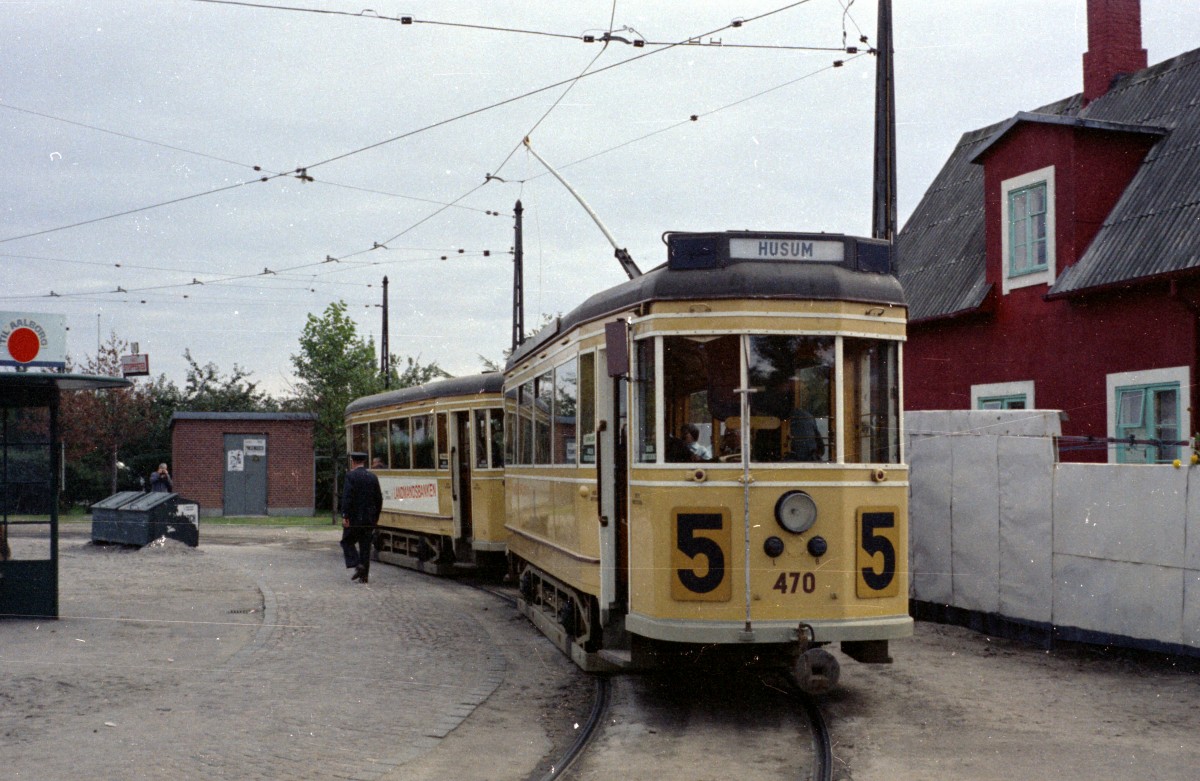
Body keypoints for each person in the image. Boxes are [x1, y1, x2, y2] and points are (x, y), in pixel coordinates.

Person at [341, 451, 383, 584]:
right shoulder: (372, 477)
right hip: (369, 519)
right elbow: (379, 499)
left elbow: (347, 497)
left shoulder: (350, 476)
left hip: (354, 518)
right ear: (364, 462)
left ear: (353, 462)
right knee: (365, 546)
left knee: (347, 541)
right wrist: (375, 516)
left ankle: (357, 564)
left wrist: (345, 515)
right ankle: (364, 576)